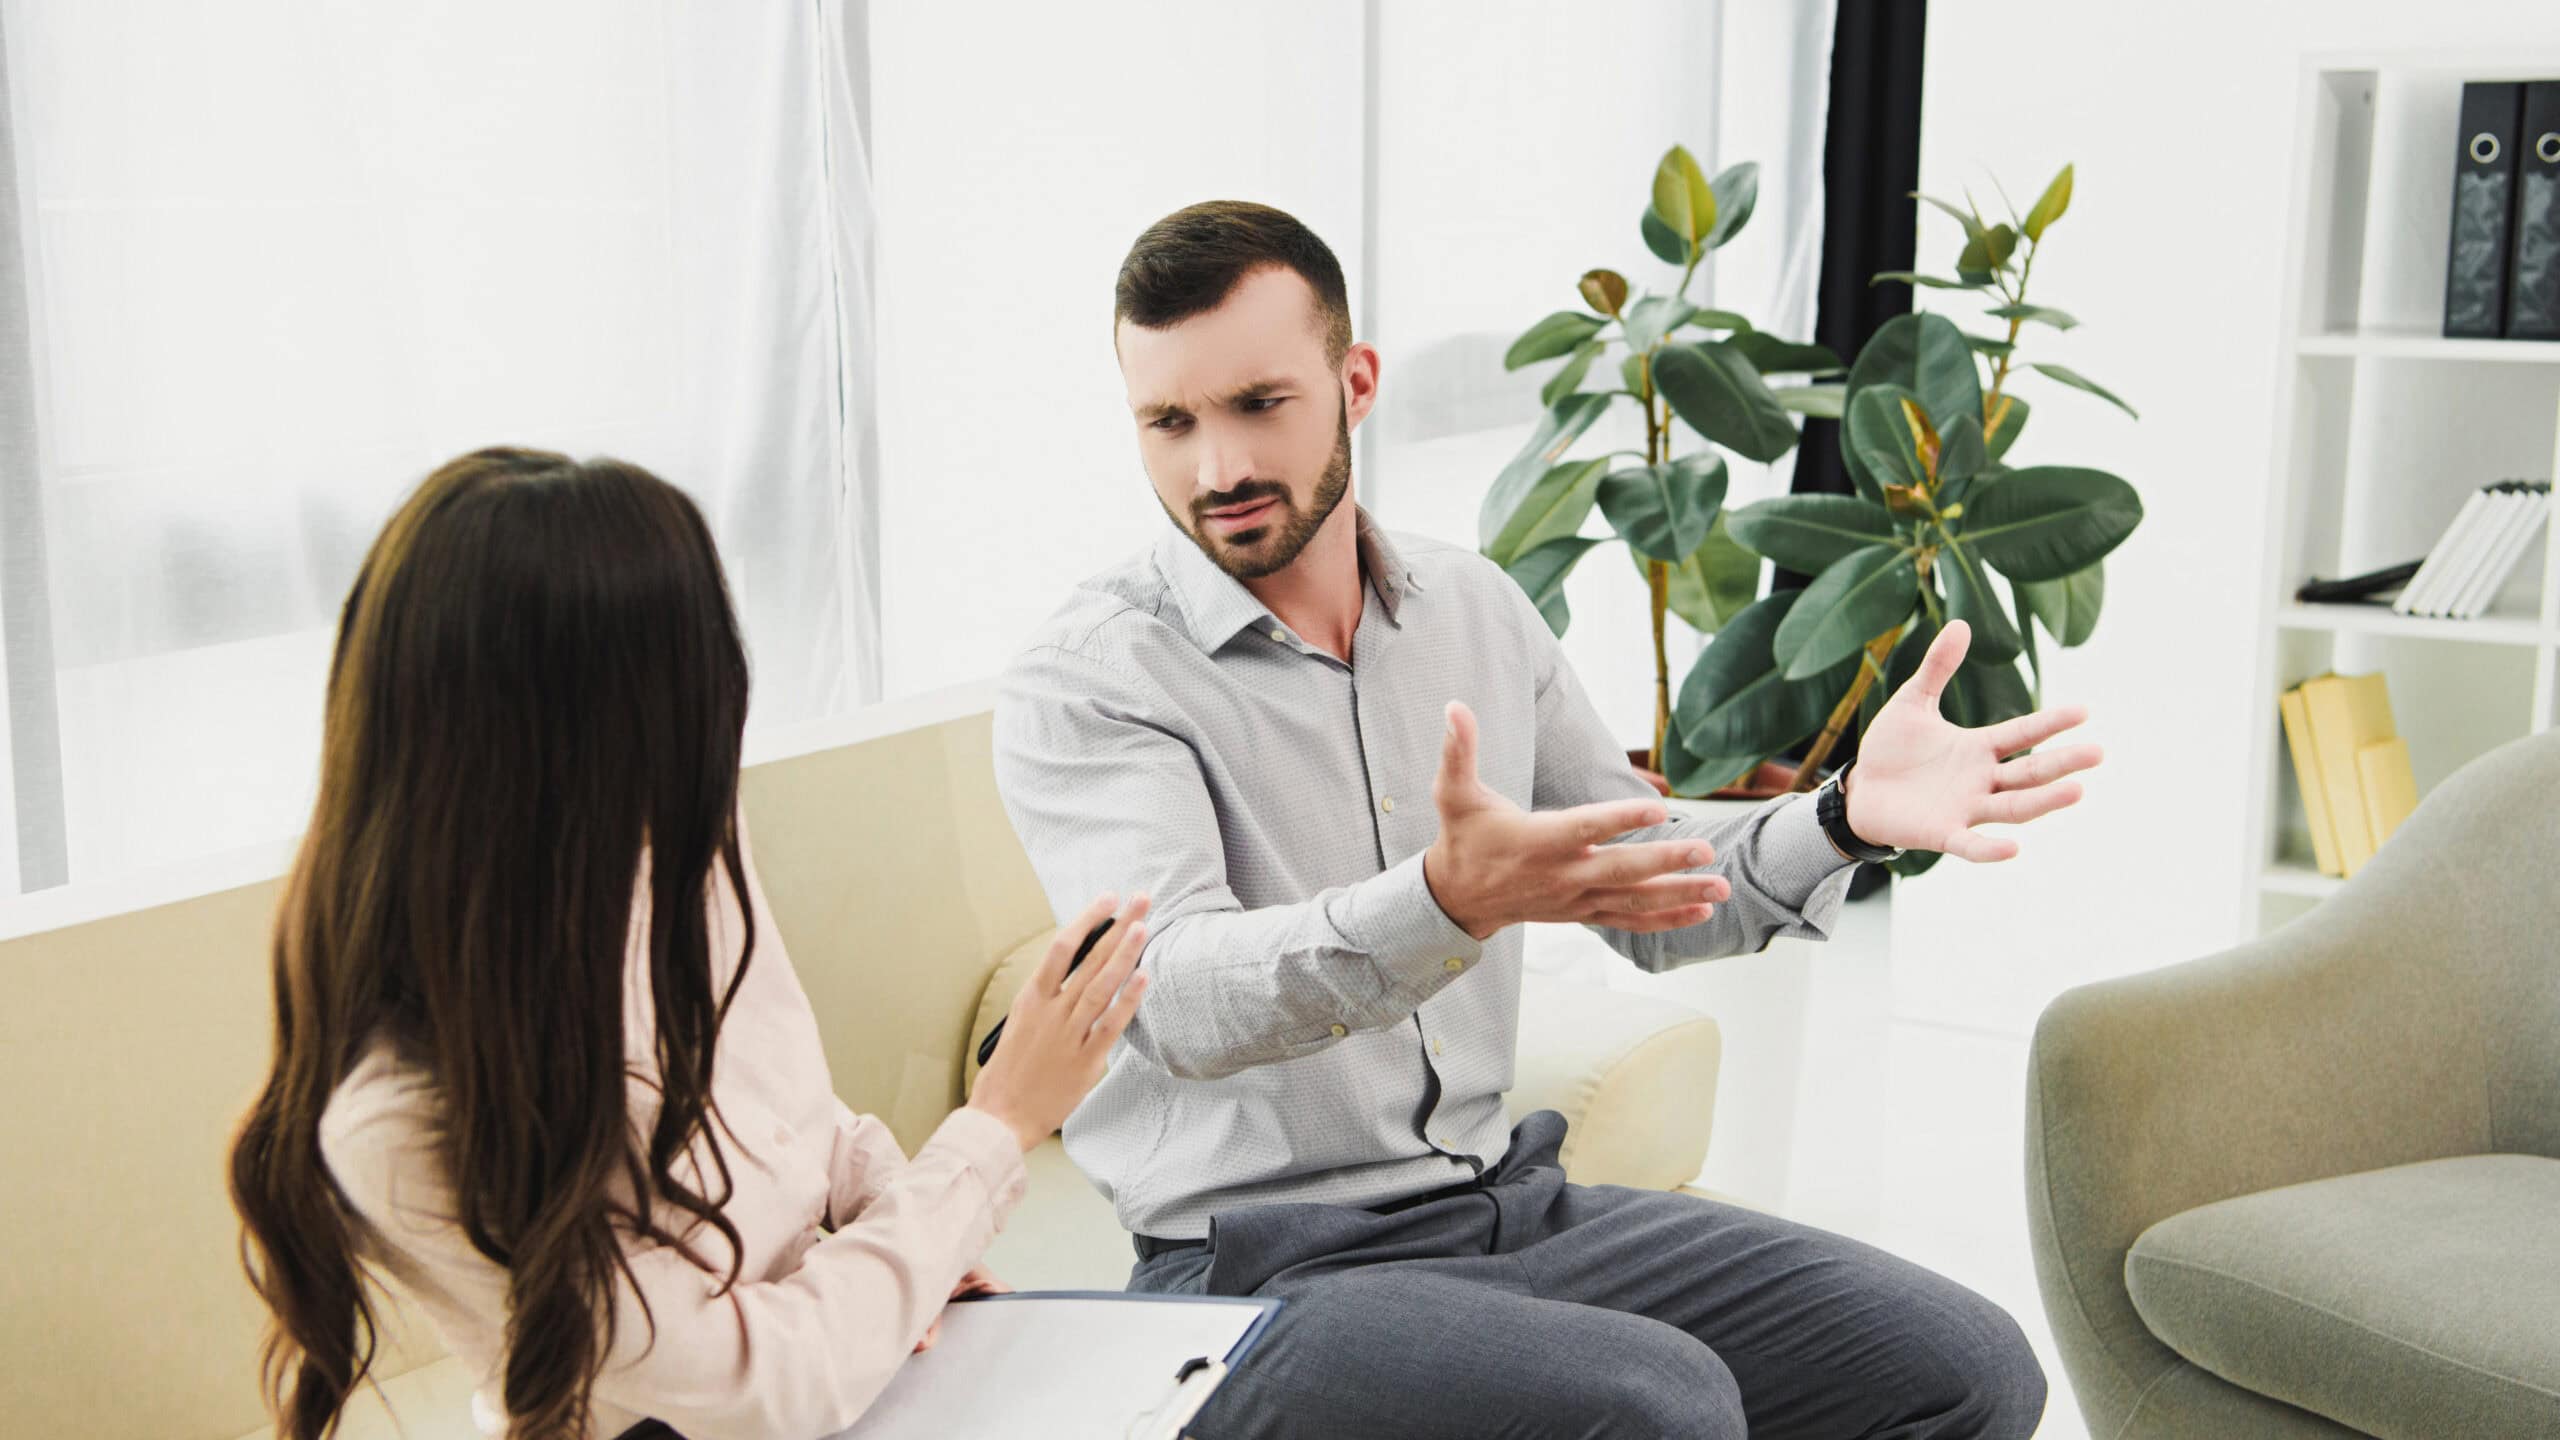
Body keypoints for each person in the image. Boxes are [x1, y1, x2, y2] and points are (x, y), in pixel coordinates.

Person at [993, 202, 2103, 1438]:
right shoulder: (1094, 678)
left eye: (1259, 405)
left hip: (1499, 1205)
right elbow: (1182, 999)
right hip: (1246, 1278)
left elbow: (1650, 887)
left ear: (1352, 383)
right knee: (1660, 1406)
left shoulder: (1471, 608)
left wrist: (1844, 815)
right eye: (1170, 423)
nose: (1218, 470)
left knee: (1964, 1363)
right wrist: (1443, 901)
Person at [229, 448, 1149, 1440]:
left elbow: (792, 1114)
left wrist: (913, 1233)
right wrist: (996, 1125)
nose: (713, 741)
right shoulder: (396, 1127)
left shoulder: (669, 847)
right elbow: (762, 1383)